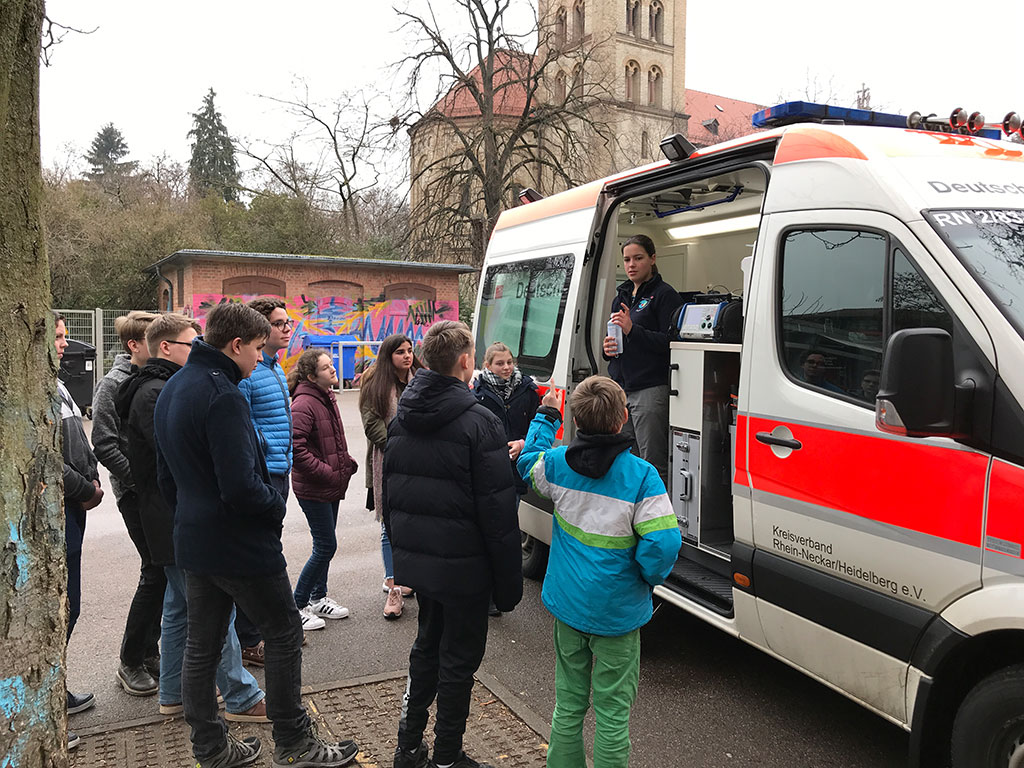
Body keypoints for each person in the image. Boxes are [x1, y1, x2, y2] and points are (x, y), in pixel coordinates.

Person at [154, 302, 357, 768]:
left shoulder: (175, 385)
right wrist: (272, 510)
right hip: (239, 542)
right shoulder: (222, 394)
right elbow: (242, 485)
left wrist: (194, 515)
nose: (260, 360)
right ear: (237, 344)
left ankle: (211, 747)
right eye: (258, 349)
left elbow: (168, 479)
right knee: (285, 632)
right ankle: (295, 742)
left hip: (195, 538)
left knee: (201, 646)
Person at [516, 375, 681, 768]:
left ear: (575, 419)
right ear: (623, 417)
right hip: (618, 615)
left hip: (569, 608)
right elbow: (664, 544)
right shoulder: (642, 477)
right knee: (612, 713)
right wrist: (644, 577)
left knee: (569, 703)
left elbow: (527, 464)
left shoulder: (557, 465)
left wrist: (545, 416)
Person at [116, 313, 269, 725]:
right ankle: (241, 696)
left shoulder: (156, 388)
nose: (198, 348)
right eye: (190, 343)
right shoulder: (159, 392)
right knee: (214, 612)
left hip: (168, 516)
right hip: (175, 517)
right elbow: (180, 463)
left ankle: (173, 694)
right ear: (166, 348)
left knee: (181, 609)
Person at [385, 320, 523, 768]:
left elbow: (394, 496)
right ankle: (446, 756)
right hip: (465, 567)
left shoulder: (404, 414)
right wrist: (508, 585)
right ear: (466, 362)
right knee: (458, 661)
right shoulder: (478, 422)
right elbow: (499, 517)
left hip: (425, 564)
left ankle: (408, 747)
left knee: (427, 647)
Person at [239, 297, 319, 647]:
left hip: (278, 470)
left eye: (288, 323)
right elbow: (241, 422)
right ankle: (251, 636)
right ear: (259, 327)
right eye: (279, 323)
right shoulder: (250, 370)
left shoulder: (271, 366)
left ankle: (267, 627)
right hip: (264, 473)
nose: (288, 329)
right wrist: (267, 450)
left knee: (268, 548)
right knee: (258, 553)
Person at [91, 310, 163, 697]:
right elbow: (103, 443)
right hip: (136, 494)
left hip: (155, 491)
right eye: (155, 341)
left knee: (163, 572)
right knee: (154, 572)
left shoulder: (153, 378)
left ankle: (150, 651)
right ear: (135, 345)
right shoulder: (112, 384)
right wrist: (138, 481)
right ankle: (130, 660)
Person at [55, 311, 103, 750]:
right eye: (56, 336)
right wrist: (83, 487)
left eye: (66, 336)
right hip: (61, 511)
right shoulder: (28, 391)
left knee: (71, 606)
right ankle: (46, 703)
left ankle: (53, 692)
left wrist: (93, 479)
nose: (64, 344)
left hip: (77, 508)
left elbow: (80, 444)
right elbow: (46, 458)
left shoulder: (61, 386)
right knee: (59, 609)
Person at [603, 234, 683, 488]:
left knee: (652, 463)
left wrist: (632, 330)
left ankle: (656, 522)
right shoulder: (622, 295)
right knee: (625, 459)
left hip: (649, 389)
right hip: (621, 388)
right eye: (626, 260)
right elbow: (618, 337)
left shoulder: (664, 295)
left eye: (638, 258)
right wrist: (608, 349)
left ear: (652, 259)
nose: (631, 265)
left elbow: (671, 343)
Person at [288, 349, 358, 628]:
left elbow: (331, 441)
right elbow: (296, 446)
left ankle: (319, 598)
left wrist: (345, 463)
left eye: (332, 365)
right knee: (326, 545)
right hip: (314, 487)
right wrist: (326, 471)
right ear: (310, 376)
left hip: (330, 484)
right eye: (326, 367)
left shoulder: (326, 397)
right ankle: (297, 605)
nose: (332, 370)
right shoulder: (304, 403)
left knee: (325, 544)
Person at [472, 341, 540, 616]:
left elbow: (540, 424)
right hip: (486, 473)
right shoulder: (477, 392)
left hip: (513, 473)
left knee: (505, 536)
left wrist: (524, 443)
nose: (507, 367)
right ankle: (484, 594)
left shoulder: (528, 389)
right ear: (487, 366)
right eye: (500, 363)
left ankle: (499, 595)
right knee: (486, 535)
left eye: (509, 362)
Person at [359, 333, 423, 620]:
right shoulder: (376, 383)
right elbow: (372, 424)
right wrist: (399, 448)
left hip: (422, 463)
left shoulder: (422, 379)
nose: (407, 356)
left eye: (409, 350)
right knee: (390, 526)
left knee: (419, 522)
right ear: (389, 355)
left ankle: (416, 577)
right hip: (389, 461)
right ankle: (394, 586)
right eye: (400, 352)